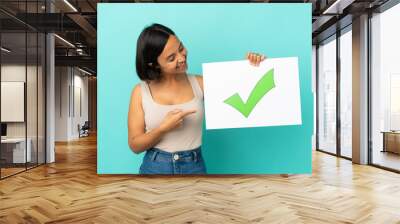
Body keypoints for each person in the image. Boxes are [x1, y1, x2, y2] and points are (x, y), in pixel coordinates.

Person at [128, 23, 265, 174]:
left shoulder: (201, 83)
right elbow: (135, 145)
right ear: (154, 64)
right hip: (154, 168)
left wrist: (254, 66)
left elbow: (244, 94)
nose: (181, 58)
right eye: (171, 58)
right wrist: (163, 128)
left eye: (180, 48)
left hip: (193, 166)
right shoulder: (141, 92)